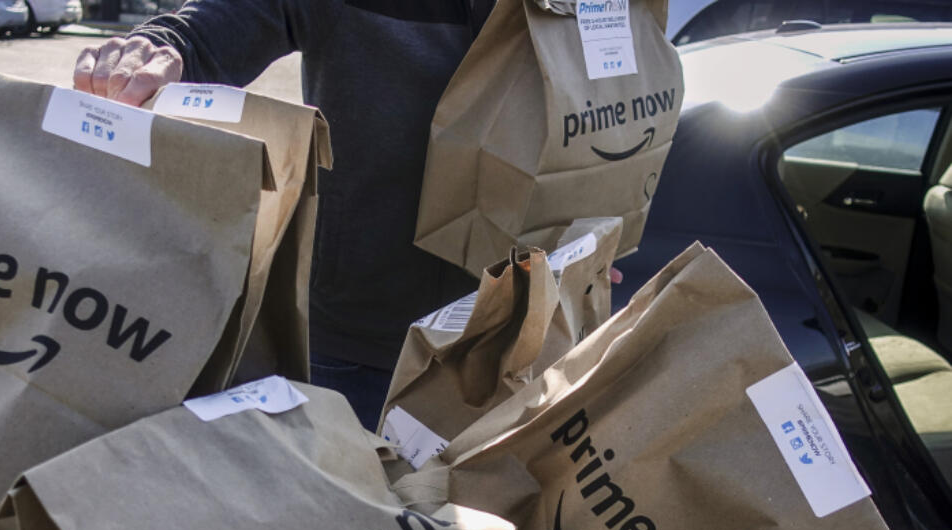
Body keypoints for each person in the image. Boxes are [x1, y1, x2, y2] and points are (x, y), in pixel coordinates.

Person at [73, 1, 621, 429]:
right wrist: (157, 47)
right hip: (358, 348)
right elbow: (215, 29)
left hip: (522, 340)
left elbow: (616, 115)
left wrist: (602, 229)